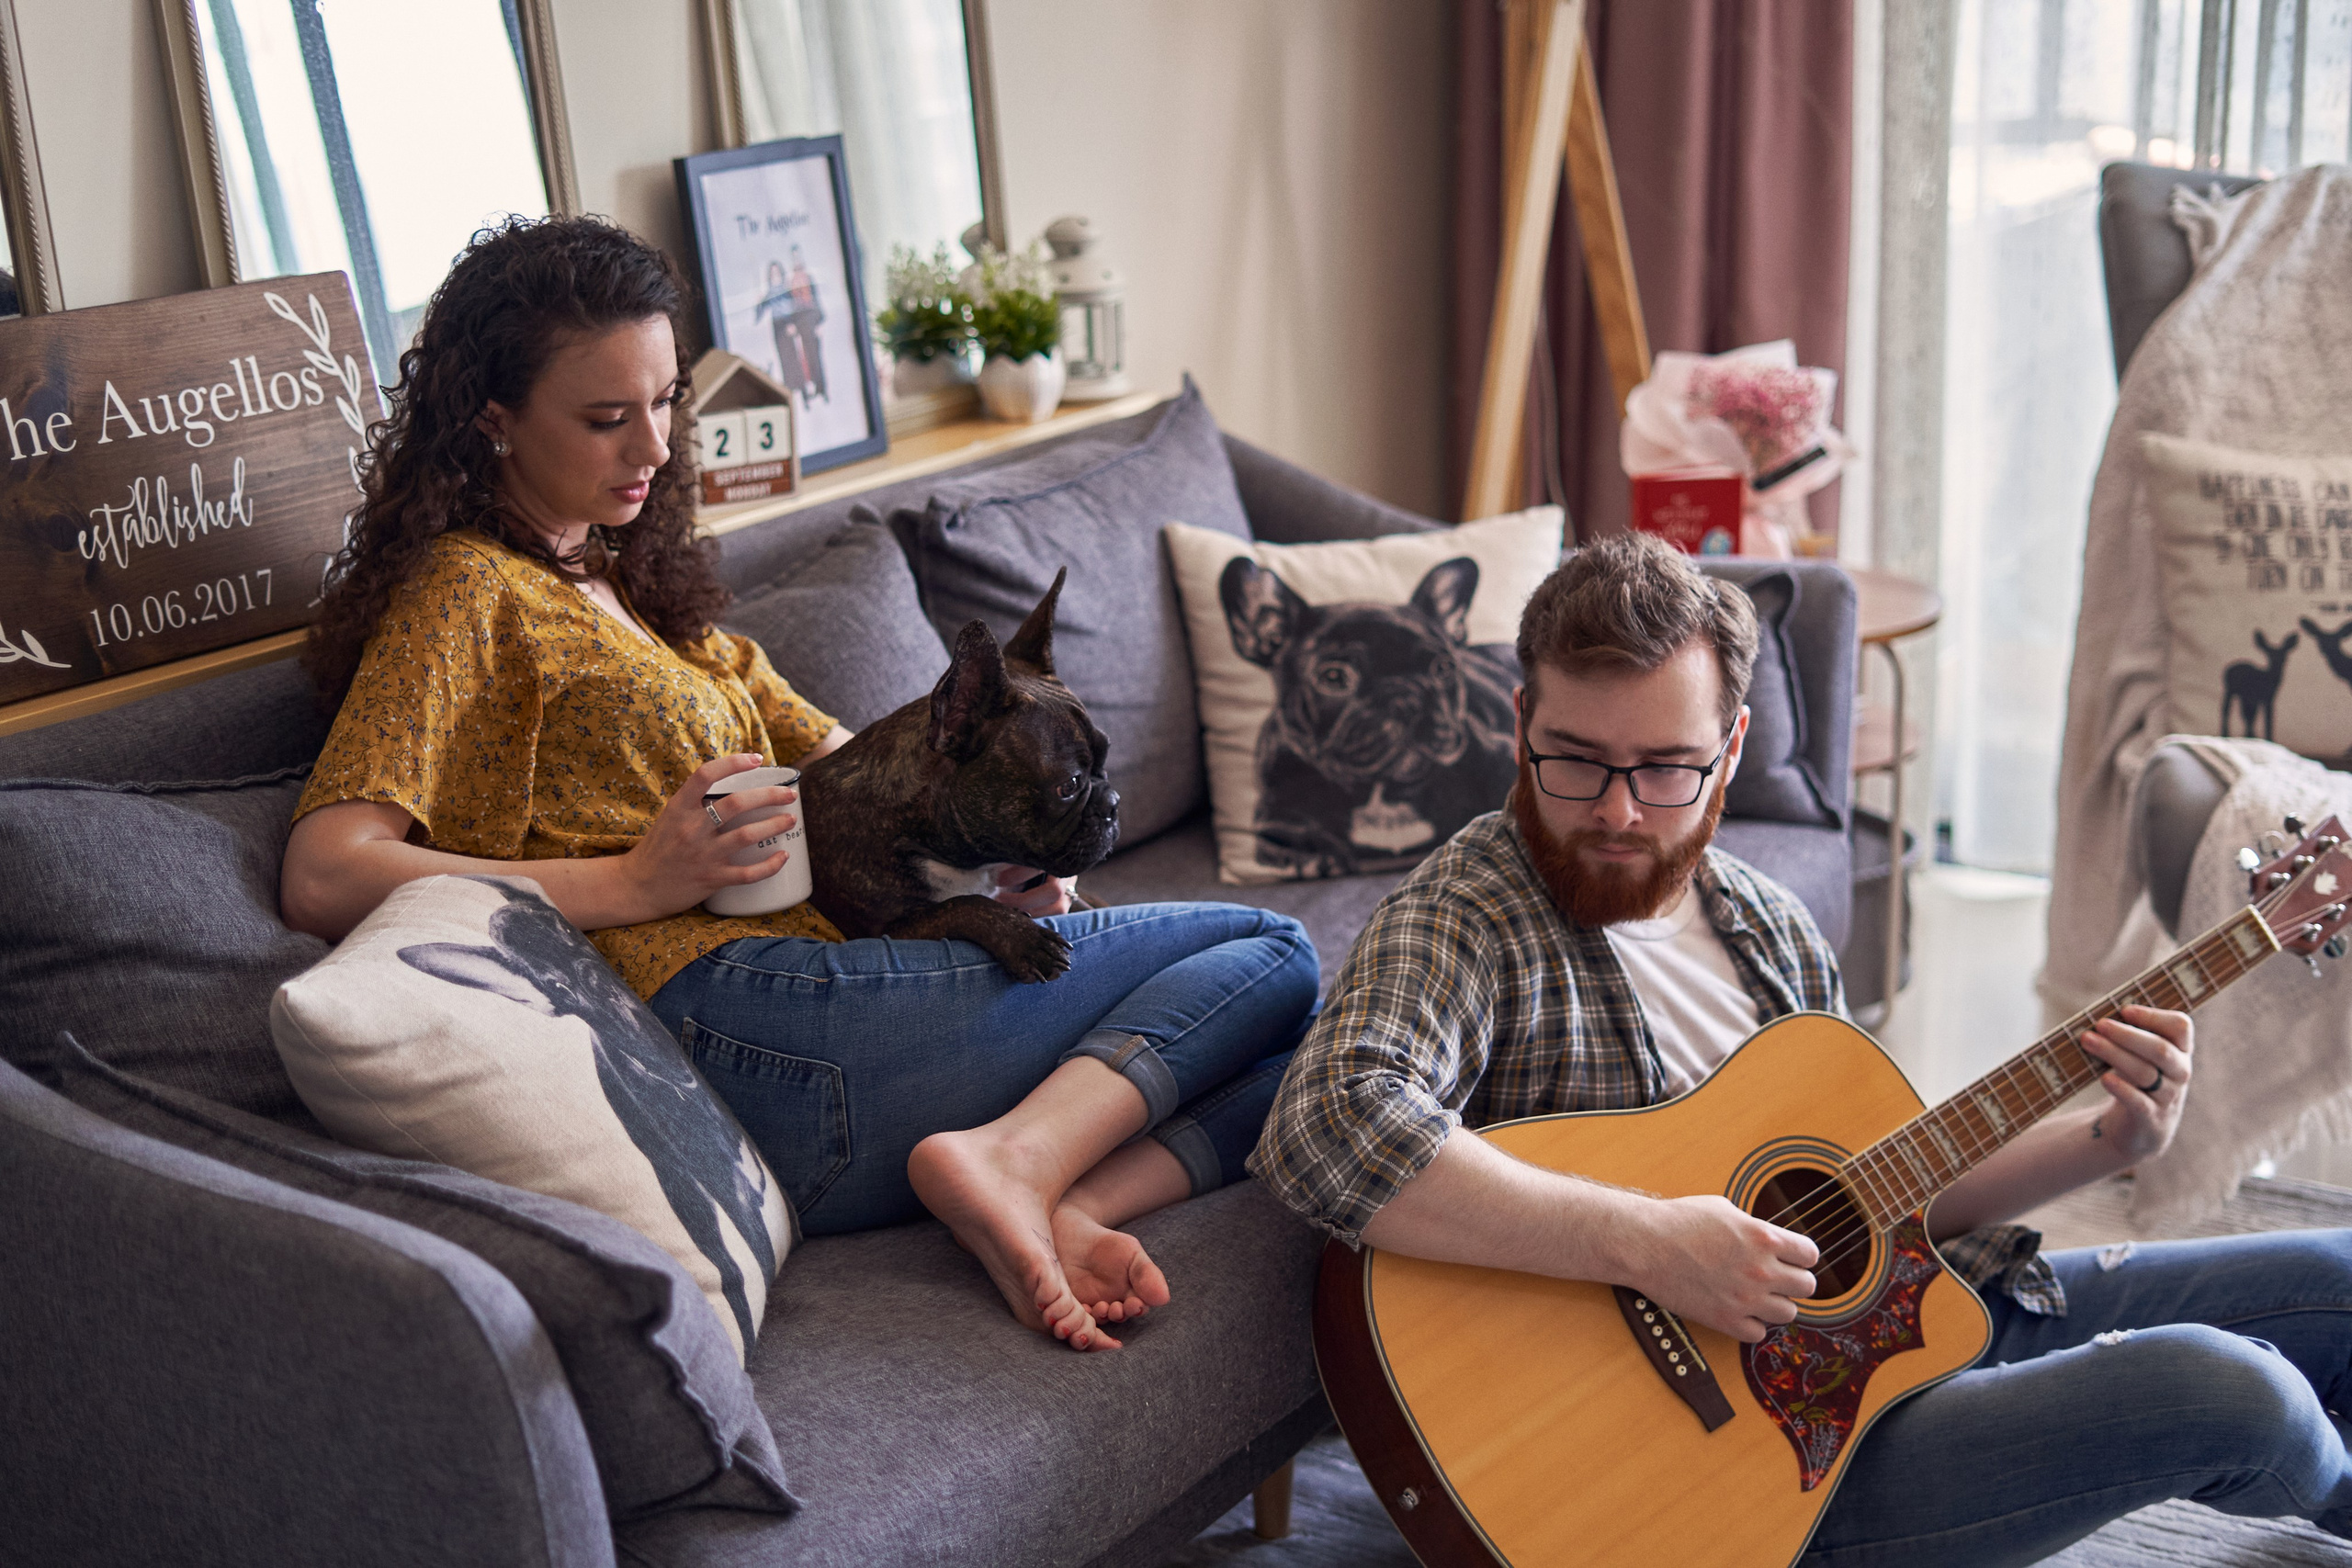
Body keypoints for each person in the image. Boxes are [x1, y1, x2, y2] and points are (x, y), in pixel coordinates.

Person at [280, 214, 1316, 1354]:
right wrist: (632, 879)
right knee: (1275, 958)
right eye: (605, 418)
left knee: (1306, 1060)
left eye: (667, 401)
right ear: (491, 417)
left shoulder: (645, 595)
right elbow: (328, 873)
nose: (655, 448)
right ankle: (1013, 1161)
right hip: (733, 1019)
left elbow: (849, 758)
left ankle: (1055, 1191)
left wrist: (1002, 863)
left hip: (844, 1014)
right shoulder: (465, 593)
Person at [1252, 532, 2352, 1560]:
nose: (1621, 814)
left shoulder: (1771, 929)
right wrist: (1646, 1244)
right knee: (2237, 1395)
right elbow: (1329, 1124)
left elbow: (1879, 1201)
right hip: (1757, 1468)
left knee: (2335, 1278)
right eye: (1575, 761)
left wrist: (2104, 1142)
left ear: (1730, 749)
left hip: (1900, 1343)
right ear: (1517, 722)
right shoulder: (1469, 909)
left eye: (1667, 768)